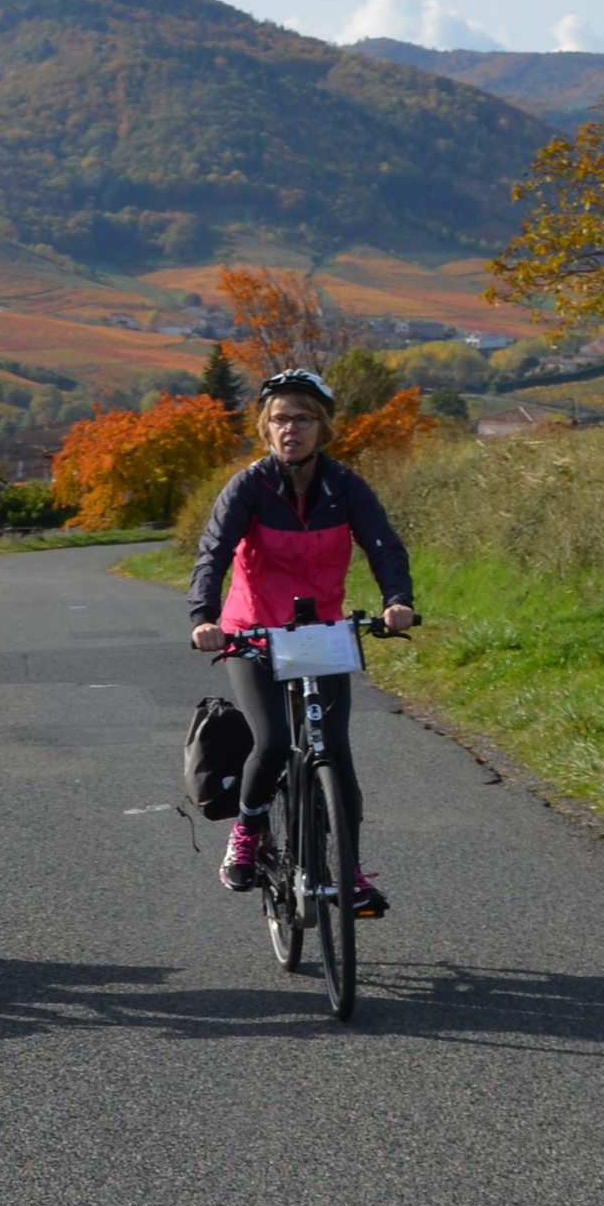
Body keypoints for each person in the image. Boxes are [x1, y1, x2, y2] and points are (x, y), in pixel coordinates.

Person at [188, 367, 417, 911]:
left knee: (334, 750)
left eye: (303, 418)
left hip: (321, 634)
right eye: (280, 419)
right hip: (252, 634)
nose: (291, 429)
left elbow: (384, 545)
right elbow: (213, 554)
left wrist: (397, 601)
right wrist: (204, 617)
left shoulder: (346, 487)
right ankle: (247, 834)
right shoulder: (249, 486)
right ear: (266, 429)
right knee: (270, 742)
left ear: (323, 427)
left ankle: (350, 870)